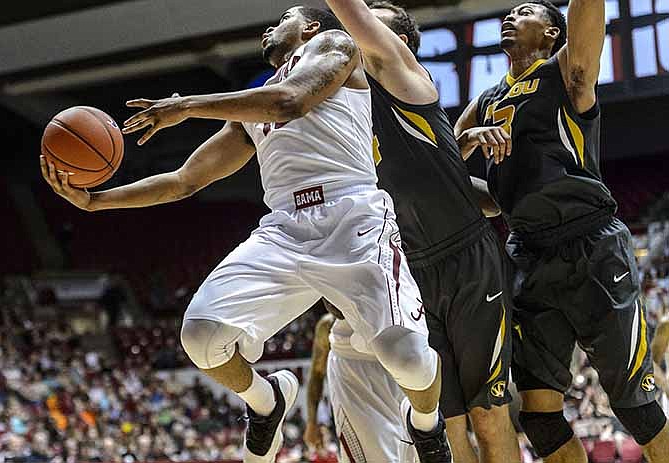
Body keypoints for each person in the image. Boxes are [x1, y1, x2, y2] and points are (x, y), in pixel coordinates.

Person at [41, 6, 449, 462]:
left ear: (310, 27)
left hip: (352, 216)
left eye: (285, 17)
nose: (270, 27)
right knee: (200, 336)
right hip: (284, 228)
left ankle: (426, 422)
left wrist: (188, 105)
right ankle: (266, 400)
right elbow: (184, 181)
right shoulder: (252, 109)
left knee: (409, 359)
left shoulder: (337, 46)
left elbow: (290, 101)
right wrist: (97, 201)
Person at [454, 1, 669, 462]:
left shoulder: (566, 71)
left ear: (553, 33)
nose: (511, 16)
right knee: (539, 418)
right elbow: (442, 175)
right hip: (527, 254)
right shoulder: (486, 101)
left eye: (526, 10)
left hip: (590, 243)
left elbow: (588, 9)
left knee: (639, 410)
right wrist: (468, 141)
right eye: (508, 11)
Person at [324, 1, 520, 462]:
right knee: (446, 425)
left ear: (402, 43)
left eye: (374, 23)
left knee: (488, 415)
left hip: (466, 263)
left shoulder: (404, 75)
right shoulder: (347, 108)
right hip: (407, 272)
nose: (358, 33)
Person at [305, 301, 418, 462]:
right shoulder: (328, 326)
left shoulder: (392, 312)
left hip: (398, 402)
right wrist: (311, 421)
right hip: (356, 409)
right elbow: (317, 374)